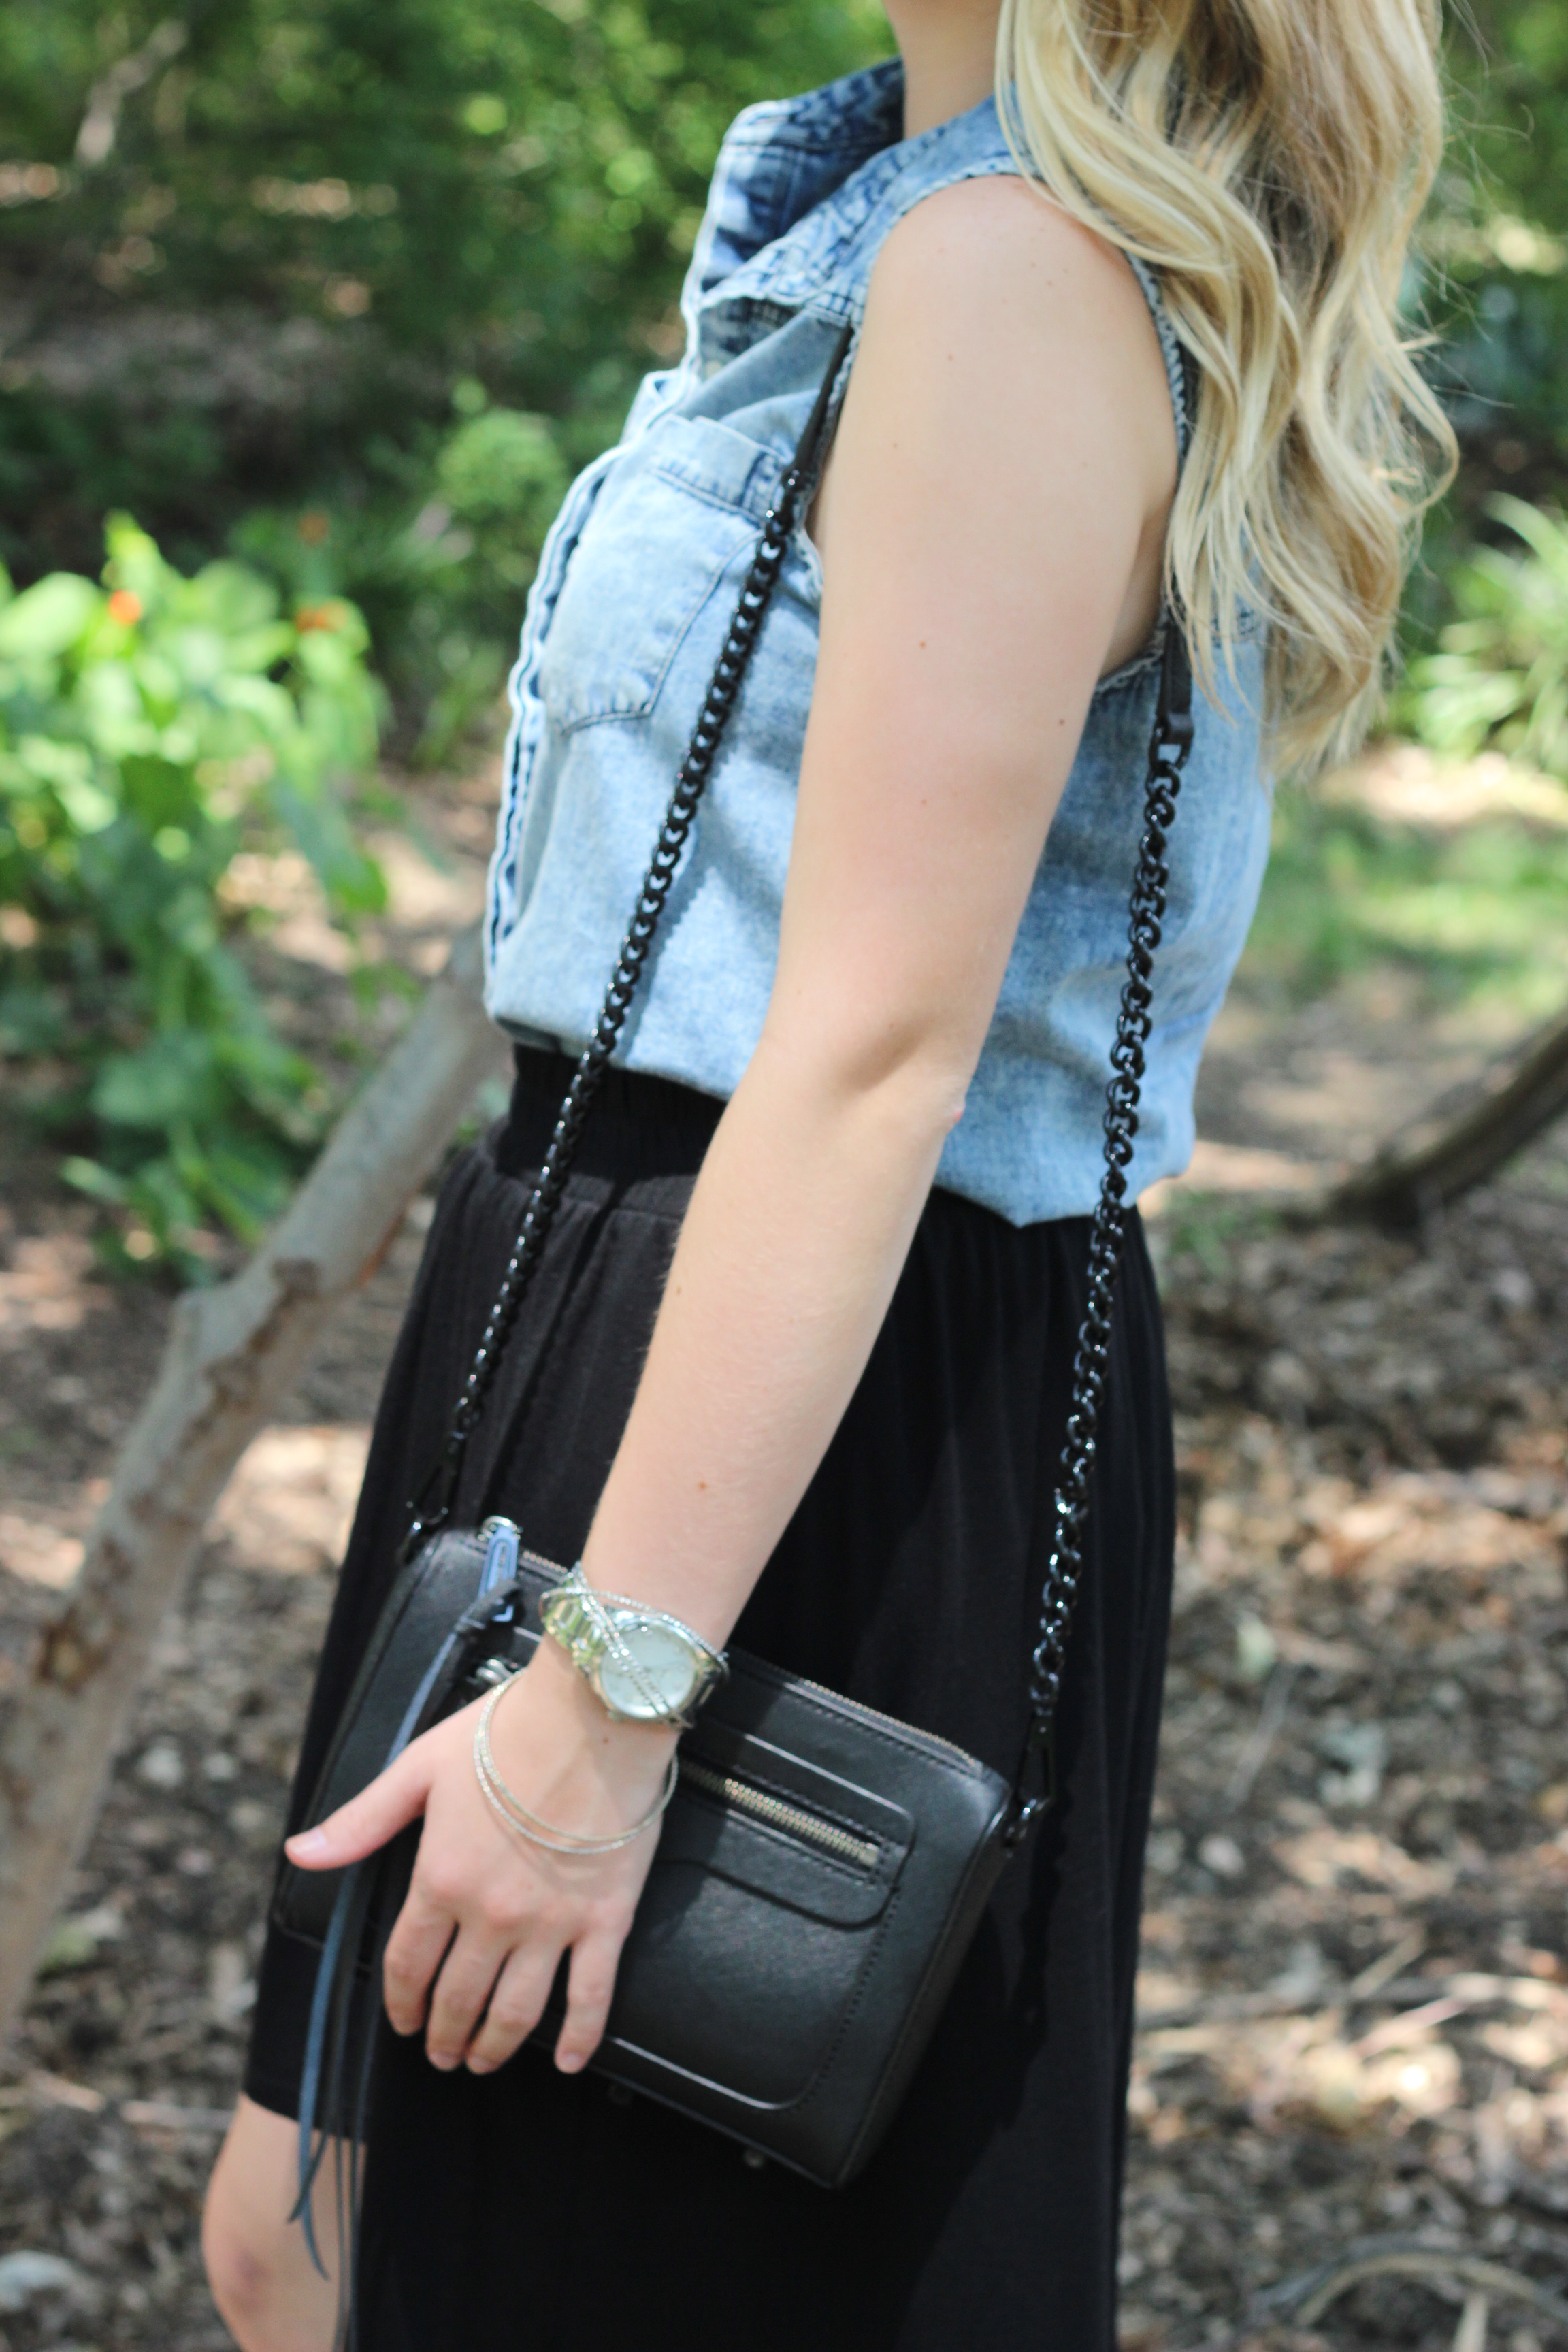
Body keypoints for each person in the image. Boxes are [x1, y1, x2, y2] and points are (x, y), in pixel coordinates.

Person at [202, 0, 1452, 2342]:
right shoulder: (901, 218)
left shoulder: (1016, 274)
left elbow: (878, 1052)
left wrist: (612, 1699)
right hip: (624, 1308)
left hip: (786, 1410)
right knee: (306, 2239)